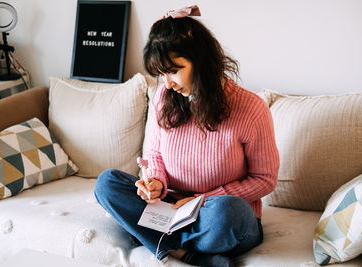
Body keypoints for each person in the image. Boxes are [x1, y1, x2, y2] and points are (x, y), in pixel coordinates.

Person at [94, 5, 279, 267]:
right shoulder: (164, 97)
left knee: (229, 214)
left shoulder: (251, 108)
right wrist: (155, 183)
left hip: (212, 213)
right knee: (107, 183)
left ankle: (153, 238)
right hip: (172, 207)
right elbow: (155, 153)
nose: (167, 83)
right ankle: (186, 253)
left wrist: (203, 199)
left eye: (173, 70)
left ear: (201, 61)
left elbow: (265, 180)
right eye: (161, 74)